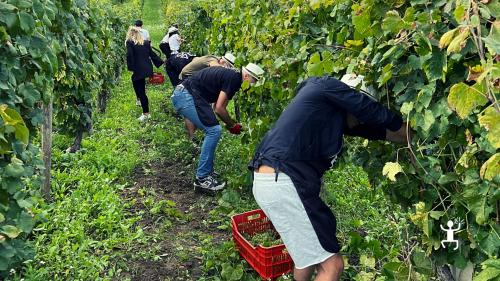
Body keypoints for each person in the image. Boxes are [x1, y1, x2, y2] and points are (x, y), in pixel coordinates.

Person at [249, 75, 409, 281]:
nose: (361, 119)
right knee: (332, 265)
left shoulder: (326, 113)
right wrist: (393, 119)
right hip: (284, 183)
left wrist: (412, 134)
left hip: (272, 182)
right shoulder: (324, 88)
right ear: (351, 101)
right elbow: (374, 114)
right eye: (359, 113)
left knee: (305, 259)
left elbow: (385, 132)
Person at [171, 63, 264, 193]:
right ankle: (202, 179)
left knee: (213, 129)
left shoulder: (233, 76)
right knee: (214, 131)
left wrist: (231, 124)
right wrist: (232, 125)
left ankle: (206, 173)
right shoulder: (235, 79)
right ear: (247, 76)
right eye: (252, 83)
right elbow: (219, 109)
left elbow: (217, 107)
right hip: (186, 96)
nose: (250, 88)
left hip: (186, 94)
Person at [178, 53, 237, 140]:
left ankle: (197, 131)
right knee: (191, 107)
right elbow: (216, 69)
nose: (227, 69)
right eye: (227, 66)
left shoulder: (213, 59)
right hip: (187, 77)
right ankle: (192, 137)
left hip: (195, 78)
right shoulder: (213, 60)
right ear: (222, 61)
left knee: (200, 105)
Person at [126, 26, 163, 121]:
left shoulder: (129, 42)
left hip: (139, 69)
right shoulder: (146, 43)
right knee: (136, 82)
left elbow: (130, 55)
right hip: (147, 68)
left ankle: (146, 113)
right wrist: (161, 62)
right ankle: (139, 100)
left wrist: (131, 67)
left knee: (141, 90)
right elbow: (152, 54)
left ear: (130, 34)